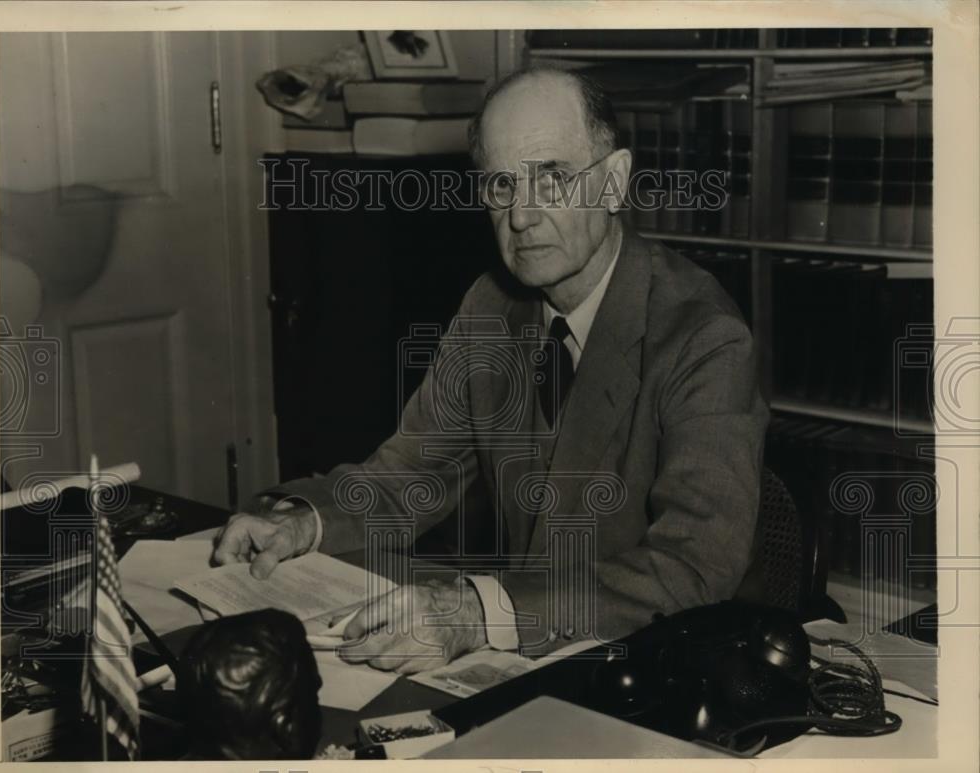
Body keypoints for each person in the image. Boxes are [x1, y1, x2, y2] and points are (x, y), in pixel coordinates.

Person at [214, 66, 769, 673]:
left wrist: (481, 613)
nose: (522, 216)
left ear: (613, 184)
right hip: (521, 656)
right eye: (501, 186)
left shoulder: (703, 336)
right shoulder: (492, 304)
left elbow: (695, 566)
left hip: (651, 664)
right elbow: (414, 472)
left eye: (551, 179)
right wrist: (305, 522)